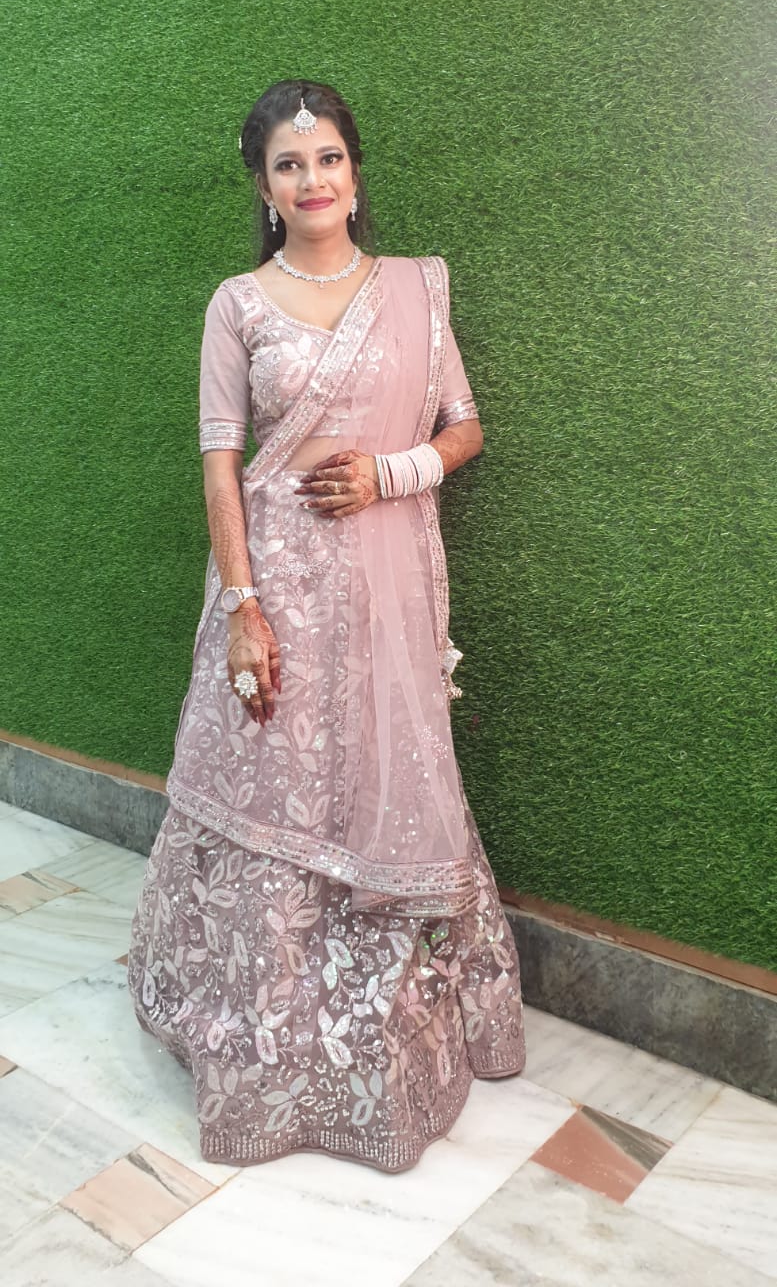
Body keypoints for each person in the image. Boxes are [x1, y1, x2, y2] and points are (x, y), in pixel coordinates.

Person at [127, 78, 526, 1172]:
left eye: (329, 158)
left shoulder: (413, 291)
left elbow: (463, 427)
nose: (313, 180)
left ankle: (397, 1028)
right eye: (289, 165)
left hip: (386, 592)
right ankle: (264, 1029)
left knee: (384, 775)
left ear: (355, 171)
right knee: (276, 785)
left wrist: (390, 472)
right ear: (264, 188)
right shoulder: (237, 304)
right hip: (279, 593)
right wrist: (243, 607)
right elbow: (221, 463)